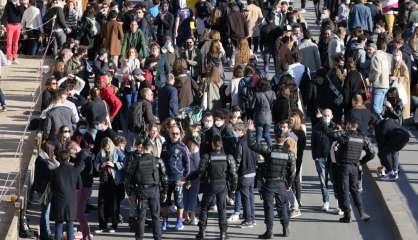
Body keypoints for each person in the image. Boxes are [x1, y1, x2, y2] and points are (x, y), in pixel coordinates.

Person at [247, 121, 295, 238]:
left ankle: (269, 232)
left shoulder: (268, 151)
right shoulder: (289, 154)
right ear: (284, 139)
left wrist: (249, 131)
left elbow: (252, 144)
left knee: (268, 207)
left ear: (274, 137)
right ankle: (285, 228)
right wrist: (288, 184)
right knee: (282, 206)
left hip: (269, 183)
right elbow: (292, 171)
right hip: (281, 183)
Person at [188, 135, 238, 240]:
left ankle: (202, 232)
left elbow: (199, 171)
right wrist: (233, 190)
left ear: (212, 144)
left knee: (204, 208)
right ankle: (223, 234)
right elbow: (234, 174)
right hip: (222, 185)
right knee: (222, 209)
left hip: (210, 185)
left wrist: (188, 178)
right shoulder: (228, 157)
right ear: (221, 144)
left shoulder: (207, 156)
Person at [330, 121, 375, 222]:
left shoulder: (345, 136)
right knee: (355, 190)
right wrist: (361, 162)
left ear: (349, 125)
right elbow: (372, 153)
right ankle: (361, 212)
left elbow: (332, 135)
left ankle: (347, 215)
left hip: (343, 167)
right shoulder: (363, 138)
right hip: (355, 167)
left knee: (344, 190)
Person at [125, 139, 168, 240]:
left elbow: (128, 178)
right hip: (154, 191)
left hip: (141, 191)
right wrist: (165, 192)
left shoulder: (136, 161)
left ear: (143, 148)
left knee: (141, 217)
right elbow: (165, 177)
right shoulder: (158, 160)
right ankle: (158, 238)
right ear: (151, 149)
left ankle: (139, 238)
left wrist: (129, 193)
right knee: (156, 216)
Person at [50, 148, 85, 240]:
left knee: (58, 225)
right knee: (70, 225)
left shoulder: (55, 172)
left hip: (58, 200)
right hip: (71, 201)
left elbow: (52, 187)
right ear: (68, 158)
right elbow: (79, 186)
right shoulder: (75, 170)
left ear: (59, 159)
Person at [160, 125, 190, 231]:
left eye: (177, 133)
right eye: (173, 133)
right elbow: (160, 161)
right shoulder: (164, 145)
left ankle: (179, 222)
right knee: (164, 201)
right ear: (169, 133)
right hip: (166, 179)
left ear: (180, 134)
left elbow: (188, 165)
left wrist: (186, 179)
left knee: (179, 201)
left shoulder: (183, 147)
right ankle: (164, 222)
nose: (175, 135)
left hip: (178, 179)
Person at [94, 137, 126, 233]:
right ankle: (102, 225)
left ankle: (114, 225)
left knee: (114, 204)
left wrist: (114, 164)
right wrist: (101, 165)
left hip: (115, 180)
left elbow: (125, 162)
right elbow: (96, 163)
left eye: (108, 147)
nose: (106, 149)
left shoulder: (117, 151)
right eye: (104, 147)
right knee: (101, 203)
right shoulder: (101, 153)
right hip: (104, 180)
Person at [311, 109, 337, 212]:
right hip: (320, 158)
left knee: (335, 181)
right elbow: (313, 143)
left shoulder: (335, 128)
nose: (326, 117)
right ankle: (326, 201)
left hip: (333, 159)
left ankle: (338, 202)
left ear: (332, 116)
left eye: (328, 115)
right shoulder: (316, 127)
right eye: (324, 115)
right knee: (323, 181)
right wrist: (315, 156)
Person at [233, 123, 258, 227]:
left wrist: (234, 172)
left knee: (245, 198)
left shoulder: (240, 143)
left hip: (244, 173)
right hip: (253, 172)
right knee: (251, 197)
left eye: (236, 130)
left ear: (242, 131)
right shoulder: (251, 141)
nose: (234, 132)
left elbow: (238, 160)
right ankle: (252, 218)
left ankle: (248, 220)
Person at [369, 38, 392, 119]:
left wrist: (370, 79)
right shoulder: (385, 56)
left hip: (378, 84)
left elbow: (377, 71)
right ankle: (377, 126)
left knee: (375, 108)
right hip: (385, 84)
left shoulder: (376, 56)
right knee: (378, 107)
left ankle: (382, 123)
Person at [252, 79, 276, 148]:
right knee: (266, 134)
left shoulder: (257, 94)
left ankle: (257, 149)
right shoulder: (272, 93)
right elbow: (273, 104)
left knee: (258, 134)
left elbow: (252, 106)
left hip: (258, 116)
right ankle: (271, 147)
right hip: (268, 116)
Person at [1, 0, 24, 64]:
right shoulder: (8, 4)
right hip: (10, 25)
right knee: (9, 43)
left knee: (16, 42)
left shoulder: (20, 5)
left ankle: (15, 57)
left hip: (18, 25)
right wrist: (3, 24)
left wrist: (18, 5)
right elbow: (5, 14)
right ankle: (9, 58)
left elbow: (22, 13)